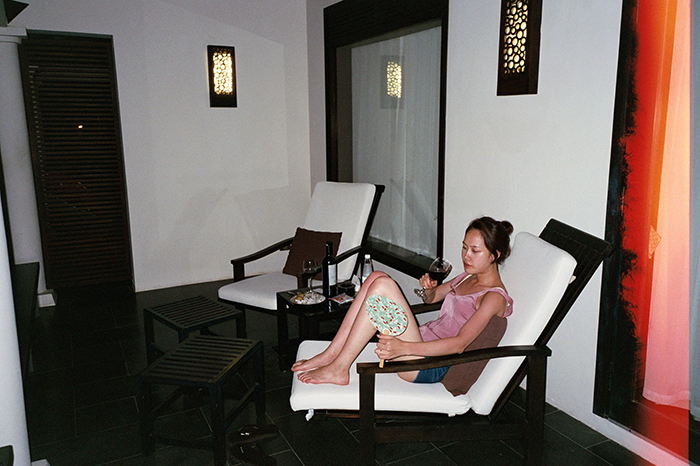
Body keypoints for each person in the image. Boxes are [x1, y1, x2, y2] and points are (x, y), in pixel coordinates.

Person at [292, 216, 514, 385]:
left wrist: (403, 348)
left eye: (475, 251)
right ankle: (331, 353)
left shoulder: (493, 297)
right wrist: (428, 290)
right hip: (420, 344)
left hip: (431, 364)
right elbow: (432, 299)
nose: (466, 256)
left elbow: (459, 345)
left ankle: (339, 368)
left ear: (494, 255)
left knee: (383, 285)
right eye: (464, 247)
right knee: (376, 276)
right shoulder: (467, 276)